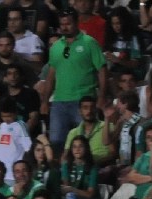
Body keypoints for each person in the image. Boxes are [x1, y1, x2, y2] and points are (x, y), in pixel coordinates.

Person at [46, 8, 107, 156]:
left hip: (84, 100)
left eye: (68, 23)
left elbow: (102, 71)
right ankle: (63, 172)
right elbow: (51, 74)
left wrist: (101, 98)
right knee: (56, 140)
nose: (65, 27)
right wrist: (44, 101)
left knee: (86, 141)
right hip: (59, 101)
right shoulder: (55, 47)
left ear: (76, 23)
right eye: (62, 24)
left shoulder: (90, 43)